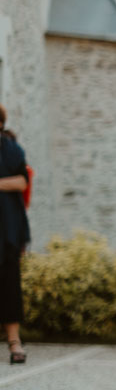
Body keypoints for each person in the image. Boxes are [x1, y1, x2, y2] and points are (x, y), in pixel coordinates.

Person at [0, 104, 31, 365]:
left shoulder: (11, 149)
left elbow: (22, 181)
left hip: (7, 227)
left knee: (10, 285)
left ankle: (14, 342)